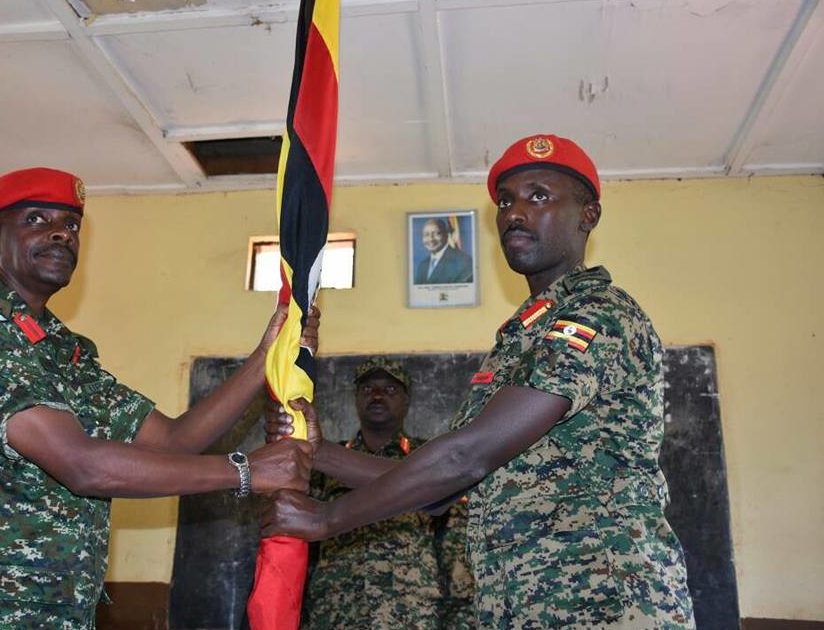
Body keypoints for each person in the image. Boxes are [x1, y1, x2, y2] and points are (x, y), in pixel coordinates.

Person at [262, 135, 696, 628]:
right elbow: (440, 487)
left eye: (538, 196)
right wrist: (318, 452)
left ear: (588, 215)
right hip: (524, 607)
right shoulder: (520, 337)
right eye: (505, 202)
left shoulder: (597, 312)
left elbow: (464, 457)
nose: (515, 213)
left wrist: (325, 518)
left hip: (606, 603)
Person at [0, 167, 317, 629]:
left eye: (71, 224)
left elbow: (174, 441)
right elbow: (81, 465)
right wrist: (245, 471)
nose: (62, 233)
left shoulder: (63, 350)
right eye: (37, 219)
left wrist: (266, 355)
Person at [291, 357, 475, 630]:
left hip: (410, 615)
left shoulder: (426, 462)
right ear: (355, 398)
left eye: (389, 389)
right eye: (368, 389)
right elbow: (303, 546)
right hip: (335, 613)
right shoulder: (324, 466)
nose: (377, 396)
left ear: (406, 400)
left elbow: (455, 549)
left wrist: (459, 620)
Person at [414, 218, 473, 284]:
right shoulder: (423, 265)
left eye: (437, 233)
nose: (431, 239)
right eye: (426, 235)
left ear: (446, 235)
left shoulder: (463, 261)